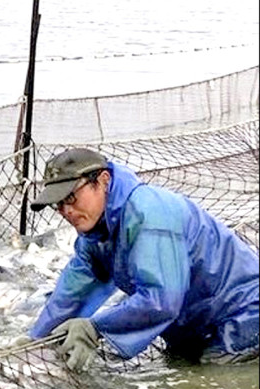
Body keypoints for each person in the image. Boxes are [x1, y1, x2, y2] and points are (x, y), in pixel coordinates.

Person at [26, 147, 258, 371]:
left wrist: (95, 328)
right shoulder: (95, 233)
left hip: (243, 313)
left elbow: (162, 300)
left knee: (208, 385)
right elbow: (73, 293)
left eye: (71, 197)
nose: (66, 210)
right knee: (179, 370)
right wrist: (35, 342)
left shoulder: (149, 214)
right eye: (58, 203)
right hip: (191, 324)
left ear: (104, 180)